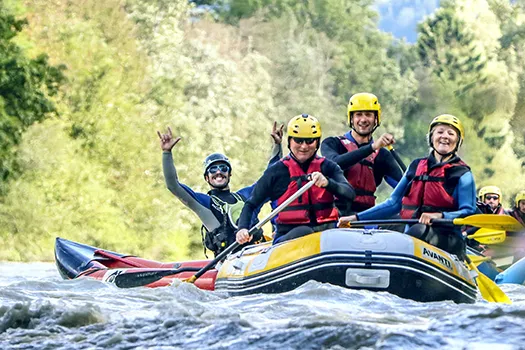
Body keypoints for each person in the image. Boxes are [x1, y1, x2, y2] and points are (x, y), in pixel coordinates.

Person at [339, 114, 476, 260]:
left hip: (448, 238)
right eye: (440, 131)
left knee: (417, 231)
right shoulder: (416, 166)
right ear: (431, 137)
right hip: (413, 235)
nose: (445, 136)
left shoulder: (462, 173)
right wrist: (355, 218)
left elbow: (468, 211)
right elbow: (393, 204)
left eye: (451, 133)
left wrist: (440, 216)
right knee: (394, 236)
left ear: (458, 141)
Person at [157, 122, 284, 257]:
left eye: (223, 168)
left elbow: (271, 177)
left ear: (230, 174)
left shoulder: (245, 196)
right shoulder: (205, 203)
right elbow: (173, 186)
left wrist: (277, 145)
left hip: (260, 253)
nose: (218, 172)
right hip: (232, 262)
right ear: (207, 177)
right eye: (213, 169)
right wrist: (166, 152)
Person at [236, 114, 355, 245]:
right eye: (298, 140)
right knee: (303, 231)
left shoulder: (328, 167)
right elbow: (251, 205)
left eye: (309, 141)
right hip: (288, 238)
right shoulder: (276, 172)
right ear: (290, 142)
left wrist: (328, 183)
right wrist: (242, 228)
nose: (304, 146)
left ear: (317, 142)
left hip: (326, 237)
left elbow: (349, 193)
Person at [321, 92, 403, 215]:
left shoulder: (383, 156)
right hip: (335, 214)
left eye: (368, 115)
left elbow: (402, 188)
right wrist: (372, 147)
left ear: (376, 119)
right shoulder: (332, 143)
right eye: (358, 115)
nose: (363, 119)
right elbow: (335, 163)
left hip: (366, 216)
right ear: (351, 119)